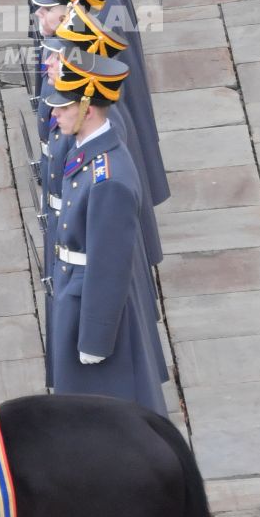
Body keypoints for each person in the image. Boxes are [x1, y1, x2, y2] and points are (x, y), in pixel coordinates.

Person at [43, 51, 167, 412]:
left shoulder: (108, 179)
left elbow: (109, 267)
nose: (55, 114)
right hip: (72, 289)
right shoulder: (88, 153)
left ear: (88, 108)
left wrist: (95, 337)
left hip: (90, 304)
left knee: (103, 408)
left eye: (62, 107)